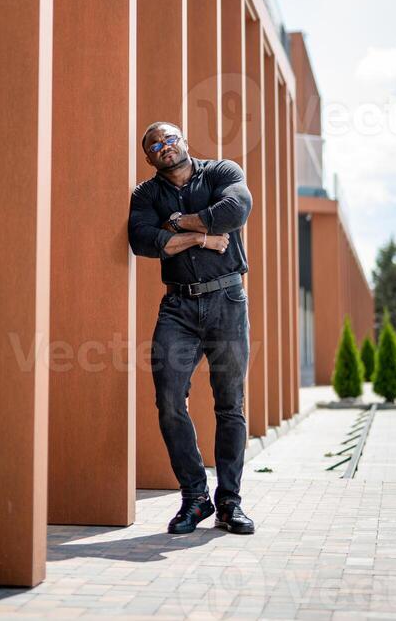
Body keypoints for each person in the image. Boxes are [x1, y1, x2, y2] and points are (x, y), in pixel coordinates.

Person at [128, 121, 254, 536]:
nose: (164, 147)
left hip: (227, 301)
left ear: (185, 140)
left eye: (169, 138)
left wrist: (178, 225)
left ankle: (229, 504)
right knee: (168, 399)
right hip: (178, 306)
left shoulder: (222, 172)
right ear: (148, 157)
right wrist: (203, 237)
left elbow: (235, 211)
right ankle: (195, 498)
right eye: (154, 145)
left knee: (229, 404)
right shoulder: (146, 195)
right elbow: (144, 240)